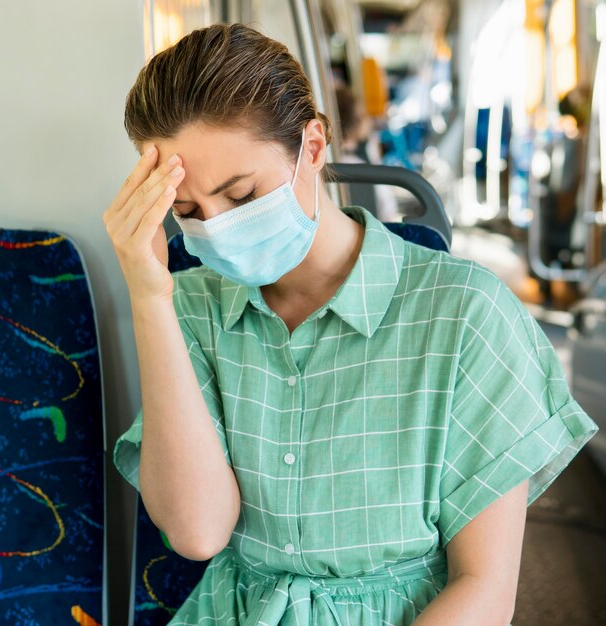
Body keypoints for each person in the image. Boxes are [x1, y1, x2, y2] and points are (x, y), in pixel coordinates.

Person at [105, 23, 598, 626]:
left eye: (241, 195)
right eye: (187, 212)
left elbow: (485, 588)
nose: (217, 228)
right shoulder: (191, 307)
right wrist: (150, 296)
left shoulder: (465, 312)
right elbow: (198, 533)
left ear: (312, 148)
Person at [335, 83, 399, 221]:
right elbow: (388, 210)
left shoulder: (350, 160)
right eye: (363, 116)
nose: (368, 119)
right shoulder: (355, 167)